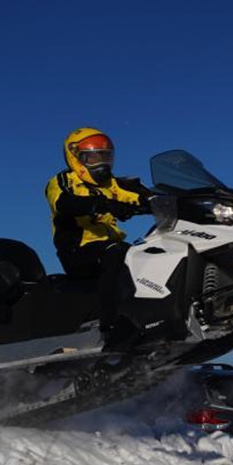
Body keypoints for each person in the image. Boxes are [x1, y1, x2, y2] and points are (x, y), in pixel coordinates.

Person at [45, 127, 147, 333]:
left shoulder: (113, 184)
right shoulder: (63, 181)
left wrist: (159, 201)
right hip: (78, 250)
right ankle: (110, 326)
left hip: (111, 247)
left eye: (105, 156)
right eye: (93, 157)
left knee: (148, 252)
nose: (101, 162)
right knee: (117, 252)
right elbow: (63, 202)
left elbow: (141, 195)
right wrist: (101, 204)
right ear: (75, 157)